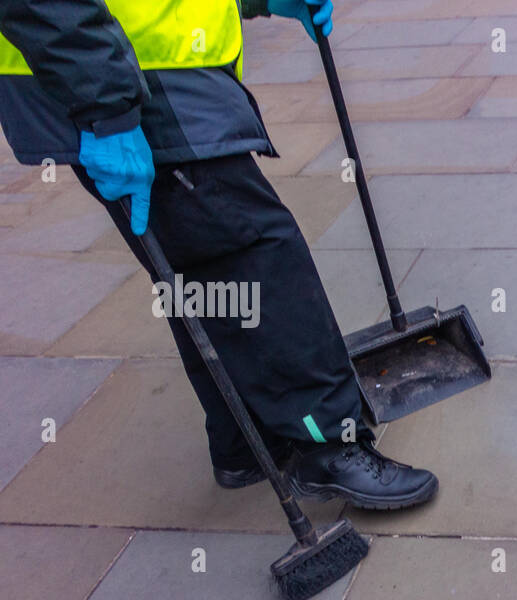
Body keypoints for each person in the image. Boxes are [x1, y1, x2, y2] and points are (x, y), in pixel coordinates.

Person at [0, 0, 438, 510]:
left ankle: (245, 439)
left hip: (138, 69)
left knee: (203, 271)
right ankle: (327, 448)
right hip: (122, 76)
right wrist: (107, 106)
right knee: (253, 254)